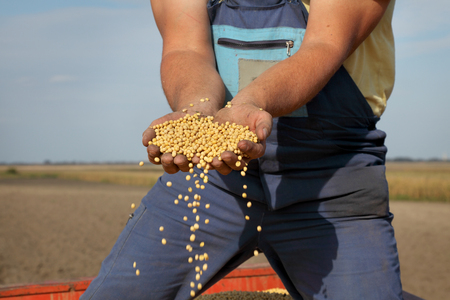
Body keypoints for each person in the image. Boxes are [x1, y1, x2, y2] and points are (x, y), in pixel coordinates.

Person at [81, 0, 403, 299]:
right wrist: (197, 111)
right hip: (211, 176)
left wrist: (252, 101)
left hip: (333, 180)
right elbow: (185, 47)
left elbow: (325, 43)